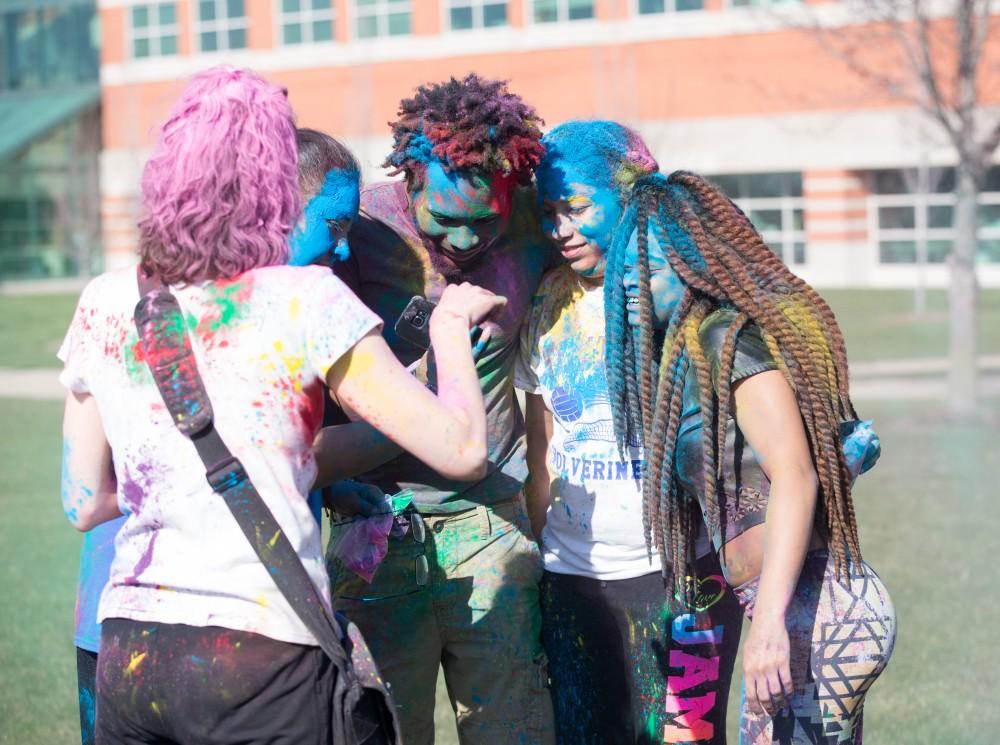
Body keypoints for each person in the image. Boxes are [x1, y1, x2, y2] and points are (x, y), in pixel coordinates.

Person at [58, 66, 502, 745]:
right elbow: (465, 449)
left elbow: (84, 500)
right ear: (275, 184)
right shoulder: (305, 300)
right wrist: (449, 329)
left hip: (132, 654)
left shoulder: (105, 300)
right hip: (260, 657)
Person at [68, 123, 365, 745]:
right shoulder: (279, 312)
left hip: (121, 630)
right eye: (333, 228)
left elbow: (79, 494)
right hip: (239, 638)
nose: (342, 252)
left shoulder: (124, 297)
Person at [604, 170, 896, 744]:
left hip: (817, 612)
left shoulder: (725, 338)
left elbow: (795, 476)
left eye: (652, 271)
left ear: (696, 269)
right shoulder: (686, 355)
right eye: (625, 273)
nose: (631, 285)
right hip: (801, 610)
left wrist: (766, 627)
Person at [327, 73, 557, 744]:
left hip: (494, 523)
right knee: (380, 728)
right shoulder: (362, 232)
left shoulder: (533, 223)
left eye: (482, 220)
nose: (462, 242)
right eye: (444, 220)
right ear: (410, 183)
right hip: (377, 529)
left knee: (512, 727)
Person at [517, 120, 744, 745]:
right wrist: (546, 556)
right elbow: (543, 455)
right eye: (548, 213)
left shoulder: (678, 293)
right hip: (573, 578)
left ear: (633, 195)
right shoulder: (546, 302)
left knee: (687, 738)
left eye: (577, 208)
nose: (560, 229)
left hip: (683, 574)